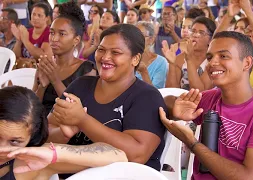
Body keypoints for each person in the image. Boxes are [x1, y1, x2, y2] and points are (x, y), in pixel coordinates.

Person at [160, 31, 253, 180]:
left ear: (247, 63)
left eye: (223, 56)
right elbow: (166, 102)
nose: (212, 63)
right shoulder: (212, 98)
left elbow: (249, 177)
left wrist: (193, 144)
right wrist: (174, 109)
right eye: (210, 57)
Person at [48, 24, 166, 172]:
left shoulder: (147, 97)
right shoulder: (80, 86)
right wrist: (63, 134)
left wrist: (83, 120)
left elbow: (137, 155)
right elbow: (46, 133)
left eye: (115, 52)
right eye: (101, 50)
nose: (105, 57)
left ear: (135, 59)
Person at [0, 86, 127, 180]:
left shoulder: (31, 162)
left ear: (31, 137)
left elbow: (119, 156)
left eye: (14, 141)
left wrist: (55, 153)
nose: (2, 148)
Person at [32, 1, 97, 116]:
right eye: (52, 33)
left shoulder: (87, 70)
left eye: (62, 34)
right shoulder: (46, 65)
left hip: (66, 129)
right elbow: (32, 108)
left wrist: (55, 80)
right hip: (41, 123)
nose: (54, 39)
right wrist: (42, 86)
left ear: (76, 40)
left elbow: (79, 113)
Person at [163, 16, 216, 91]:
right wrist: (171, 64)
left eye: (201, 33)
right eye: (193, 31)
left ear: (210, 40)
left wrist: (189, 59)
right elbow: (170, 91)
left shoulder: (212, 61)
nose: (195, 35)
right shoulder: (180, 58)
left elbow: (200, 92)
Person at [136, 21, 168, 89]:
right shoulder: (126, 58)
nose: (136, 39)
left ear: (151, 39)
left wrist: (144, 72)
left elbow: (156, 93)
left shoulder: (160, 62)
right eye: (135, 35)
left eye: (141, 35)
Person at [0, 8, 19, 73]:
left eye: (3, 18)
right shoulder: (1, 39)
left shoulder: (18, 41)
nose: (0, 21)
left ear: (11, 22)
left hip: (9, 76)